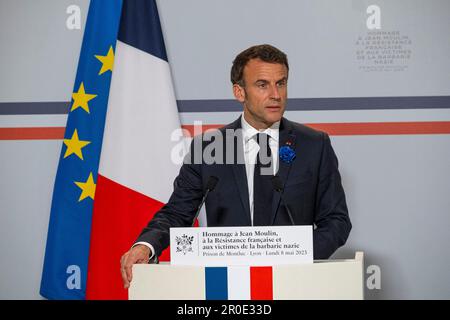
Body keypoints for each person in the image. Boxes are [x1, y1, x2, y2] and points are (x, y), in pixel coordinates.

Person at [120, 44, 351, 288]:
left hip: (295, 283)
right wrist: (145, 245)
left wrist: (297, 257)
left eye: (281, 83)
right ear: (239, 92)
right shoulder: (208, 148)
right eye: (262, 85)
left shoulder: (314, 145)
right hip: (226, 285)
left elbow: (336, 221)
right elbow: (177, 213)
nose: (276, 94)